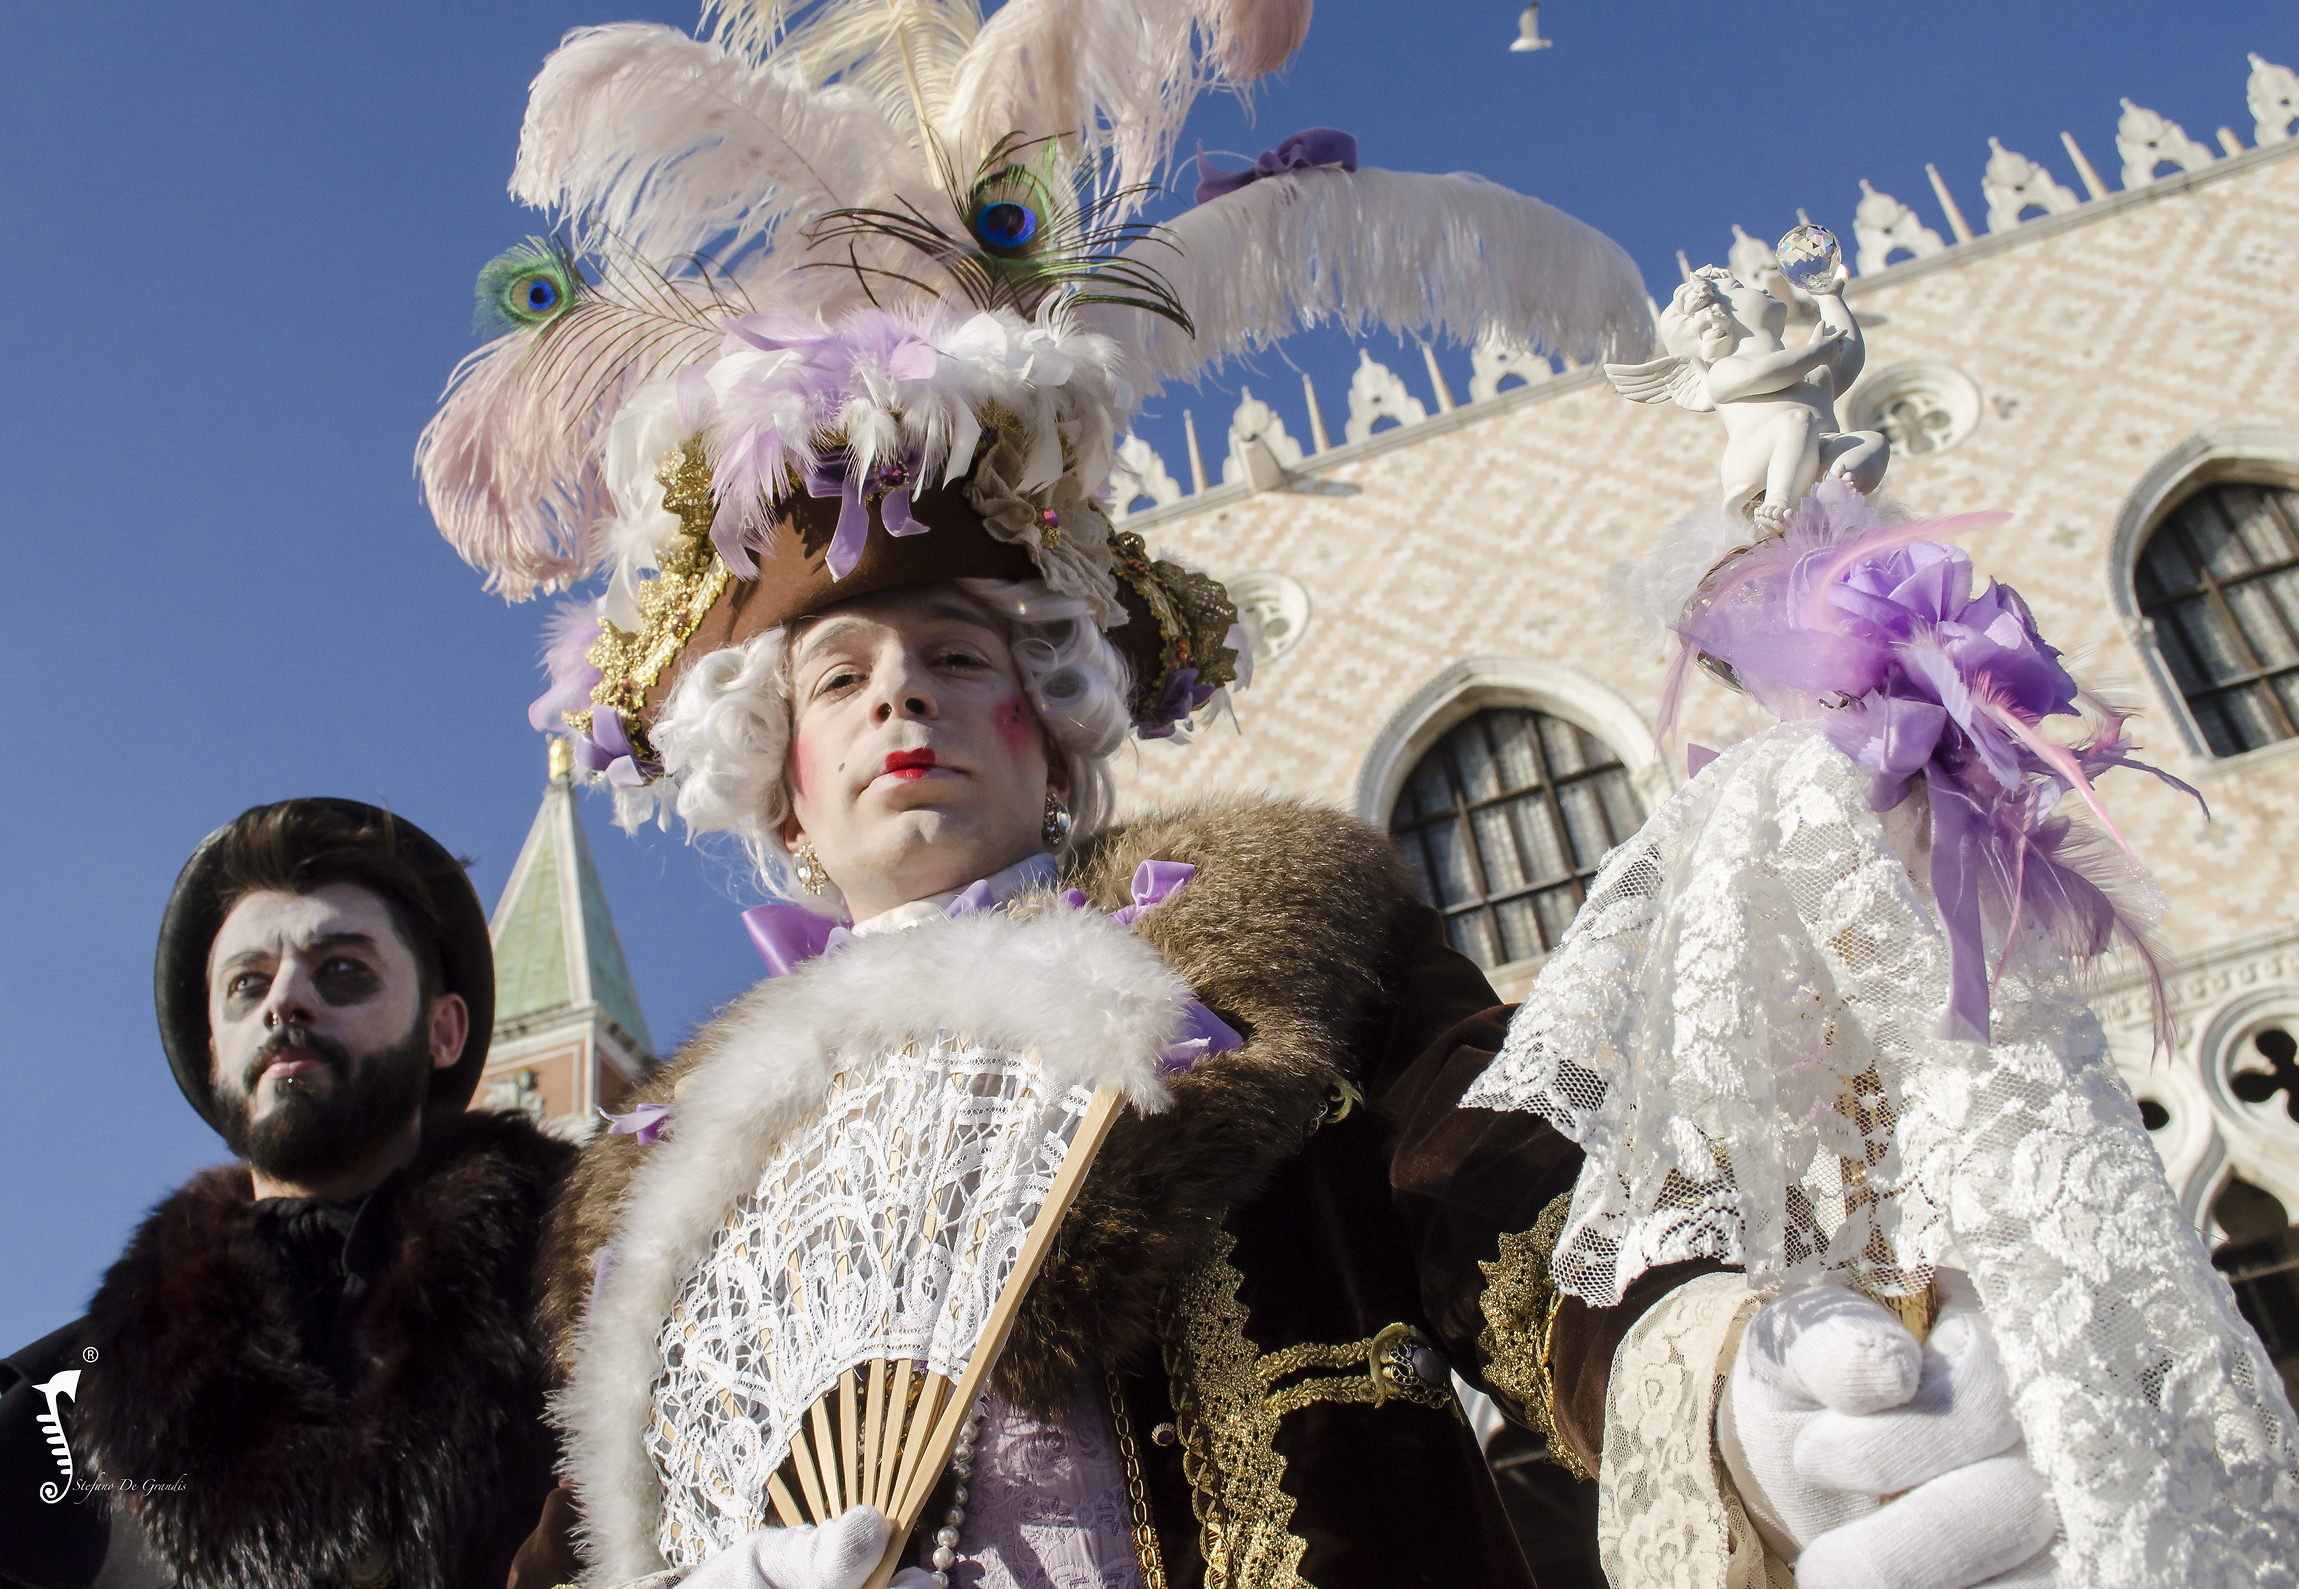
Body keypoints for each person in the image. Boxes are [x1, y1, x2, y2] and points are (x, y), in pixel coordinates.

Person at [419, 14, 2064, 1588]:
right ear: (776, 772)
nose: (898, 694)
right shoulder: (649, 1186)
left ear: (1056, 713)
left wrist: (1725, 1379)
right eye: (837, 678)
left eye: (954, 648)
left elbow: (1518, 1209)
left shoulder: (1279, 933)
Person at [0, 800, 575, 1589]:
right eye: (248, 982)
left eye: (344, 971)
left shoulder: (592, 1289)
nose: (285, 1000)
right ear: (216, 1049)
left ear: (443, 1029)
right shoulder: (83, 1391)